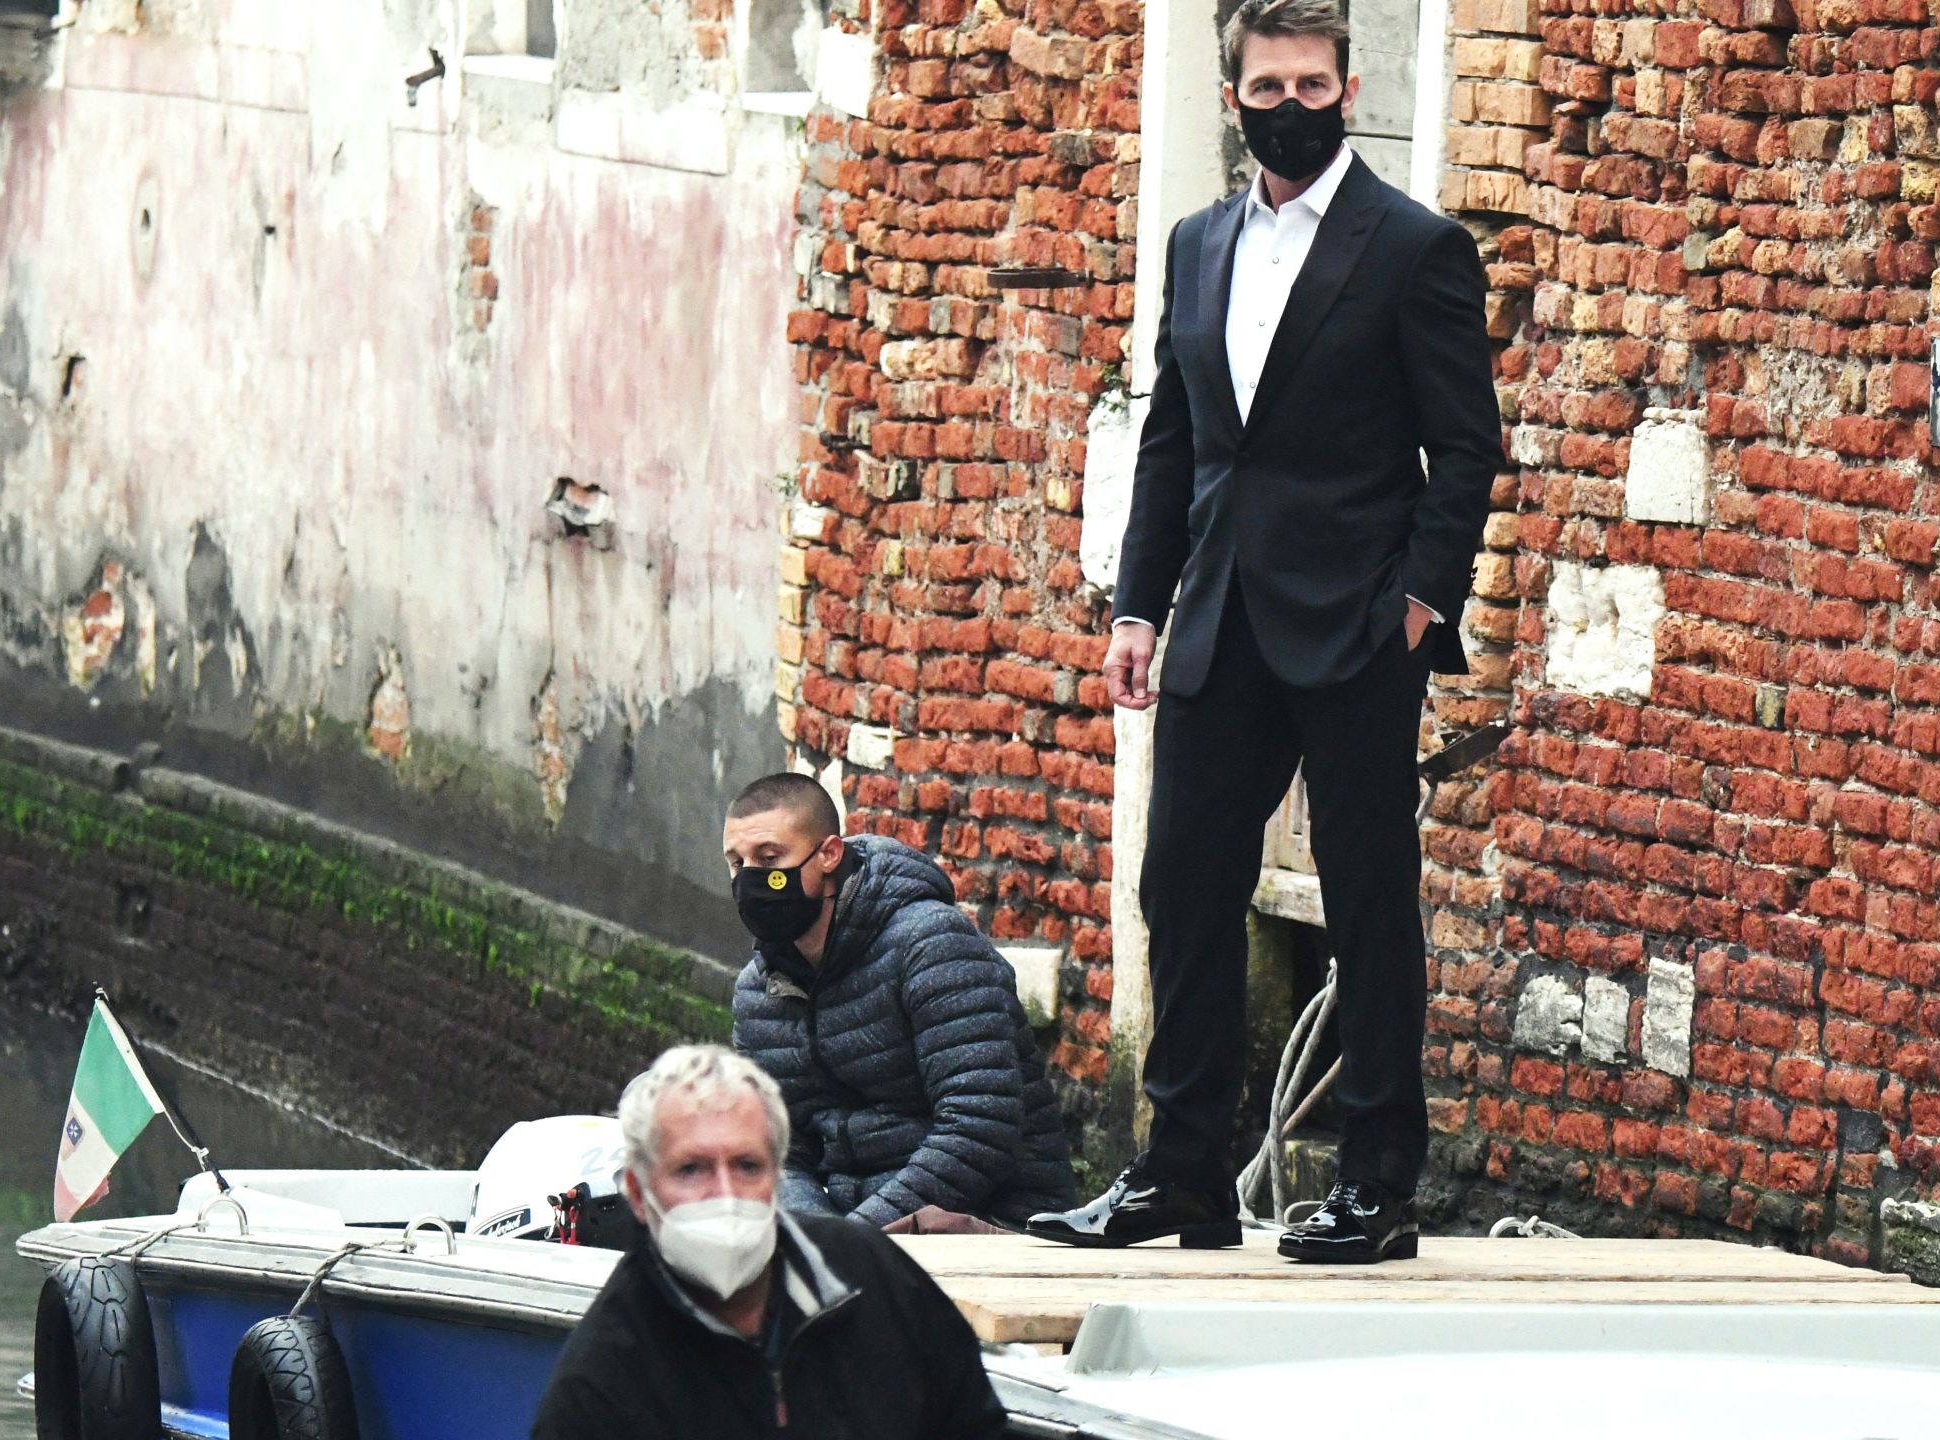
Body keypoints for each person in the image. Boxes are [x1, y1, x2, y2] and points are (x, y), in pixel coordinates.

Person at [1025, 0, 1501, 1264]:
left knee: (1367, 904)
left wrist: (1417, 604)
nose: (1289, 103)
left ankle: (1375, 1188)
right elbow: (1174, 440)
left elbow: (1463, 451)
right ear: (1231, 96)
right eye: (1267, 84)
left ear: (1346, 90)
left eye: (1312, 83)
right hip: (1217, 620)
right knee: (1178, 886)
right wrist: (1137, 606)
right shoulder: (1194, 244)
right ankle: (1178, 1178)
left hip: (1357, 629)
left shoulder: (1414, 247)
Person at [529, 1045, 1011, 1440]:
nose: (724, 1193)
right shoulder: (599, 1392)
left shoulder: (875, 1280)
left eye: (747, 1166)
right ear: (638, 1193)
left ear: (778, 1177)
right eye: (691, 1169)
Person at [722, 772, 1074, 1228]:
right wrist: (816, 1236)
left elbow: (979, 1129)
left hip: (986, 1219)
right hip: (851, 1222)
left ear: (829, 854)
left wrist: (853, 1242)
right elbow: (779, 1151)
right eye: (736, 862)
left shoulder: (933, 947)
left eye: (769, 858)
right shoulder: (758, 991)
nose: (751, 879)